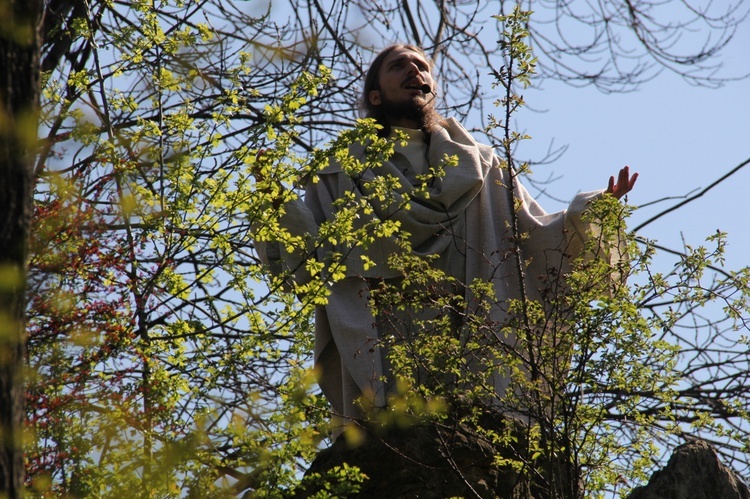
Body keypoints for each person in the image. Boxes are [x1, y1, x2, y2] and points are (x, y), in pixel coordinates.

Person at [255, 44, 637, 435]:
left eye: (421, 66)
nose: (414, 71)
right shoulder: (339, 173)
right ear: (375, 95)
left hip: (472, 334)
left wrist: (593, 213)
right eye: (399, 66)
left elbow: (533, 241)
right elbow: (312, 260)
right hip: (387, 337)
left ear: (432, 88)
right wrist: (277, 204)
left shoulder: (482, 165)